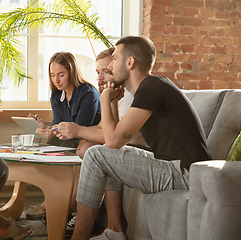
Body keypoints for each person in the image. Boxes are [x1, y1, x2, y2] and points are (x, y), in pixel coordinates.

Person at [70, 36, 211, 240]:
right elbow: (116, 138)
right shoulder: (151, 87)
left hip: (186, 174)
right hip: (177, 167)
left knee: (95, 155)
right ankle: (113, 233)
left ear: (130, 62)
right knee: (107, 156)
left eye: (114, 59)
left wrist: (103, 97)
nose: (110, 66)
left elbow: (112, 141)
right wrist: (111, 103)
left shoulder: (151, 89)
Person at [55, 47, 147, 237]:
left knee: (94, 150)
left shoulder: (130, 95)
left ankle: (89, 218)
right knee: (84, 146)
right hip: (122, 145)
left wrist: (79, 130)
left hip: (138, 150)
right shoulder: (115, 93)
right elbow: (105, 128)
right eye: (98, 72)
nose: (100, 77)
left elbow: (114, 138)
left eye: (106, 70)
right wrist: (74, 130)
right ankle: (101, 224)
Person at [26, 52, 101, 220]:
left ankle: (62, 202)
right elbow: (59, 123)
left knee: (63, 146)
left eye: (61, 75)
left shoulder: (88, 93)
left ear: (72, 72)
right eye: (53, 75)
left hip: (88, 137)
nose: (56, 80)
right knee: (50, 143)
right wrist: (47, 129)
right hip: (70, 137)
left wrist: (56, 131)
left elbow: (80, 128)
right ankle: (54, 199)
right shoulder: (55, 95)